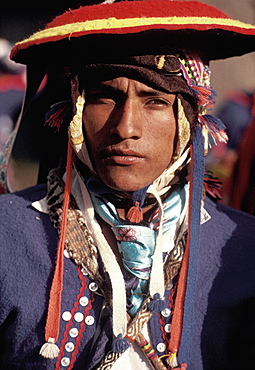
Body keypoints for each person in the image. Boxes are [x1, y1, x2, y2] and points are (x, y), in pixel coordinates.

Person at [0, 1, 255, 369]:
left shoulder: (242, 251)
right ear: (74, 113)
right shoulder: (10, 235)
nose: (125, 128)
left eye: (154, 101)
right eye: (105, 97)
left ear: (189, 120)